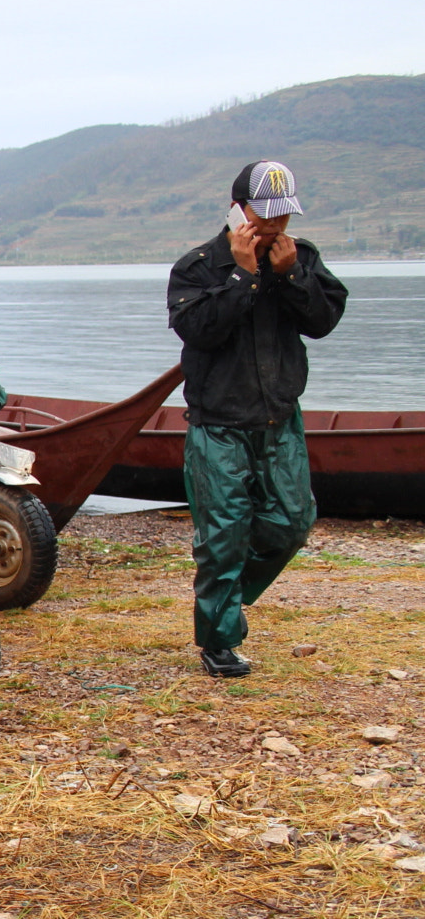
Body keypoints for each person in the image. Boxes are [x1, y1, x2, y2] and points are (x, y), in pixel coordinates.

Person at [167, 160, 348, 678]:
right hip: (217, 422)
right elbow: (197, 331)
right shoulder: (198, 266)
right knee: (223, 532)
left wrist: (290, 276)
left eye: (282, 215)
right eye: (262, 215)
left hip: (279, 418)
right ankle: (218, 640)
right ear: (236, 209)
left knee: (293, 521)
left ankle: (225, 600)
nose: (272, 227)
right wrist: (244, 276)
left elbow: (324, 321)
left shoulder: (300, 258)